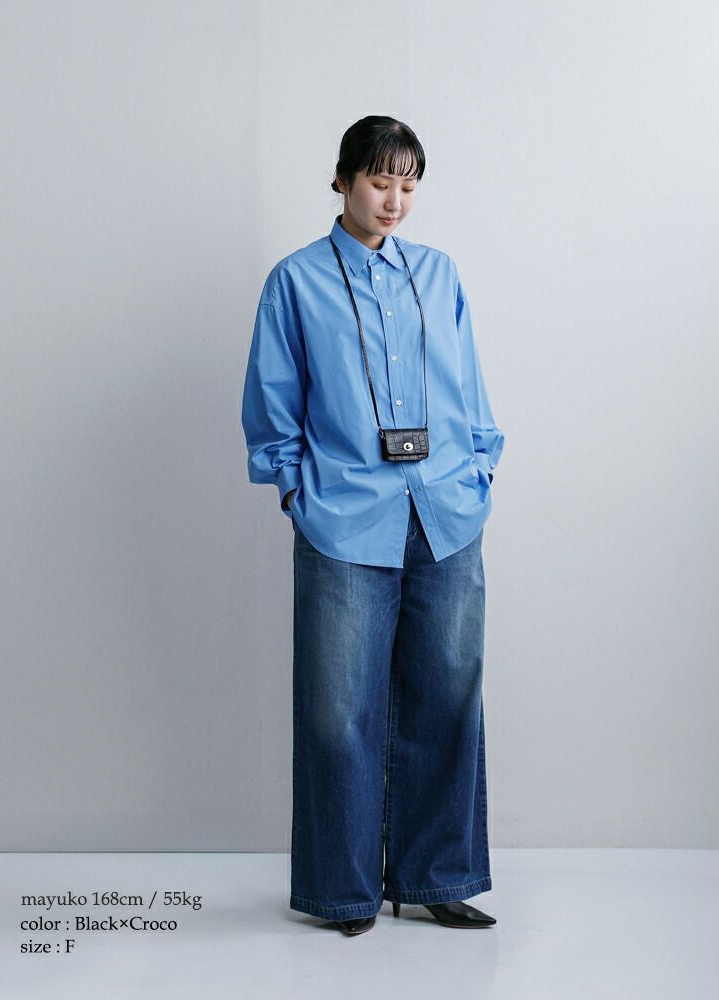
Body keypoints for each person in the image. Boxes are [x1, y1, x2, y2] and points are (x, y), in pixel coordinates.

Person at [241, 115, 505, 935]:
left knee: (447, 700)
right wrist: (297, 493)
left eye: (408, 185)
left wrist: (478, 470)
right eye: (380, 181)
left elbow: (470, 385)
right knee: (338, 710)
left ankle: (437, 877)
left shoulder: (439, 273)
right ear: (344, 179)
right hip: (345, 519)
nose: (394, 200)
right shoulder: (295, 281)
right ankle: (345, 892)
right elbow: (273, 404)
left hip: (445, 513)